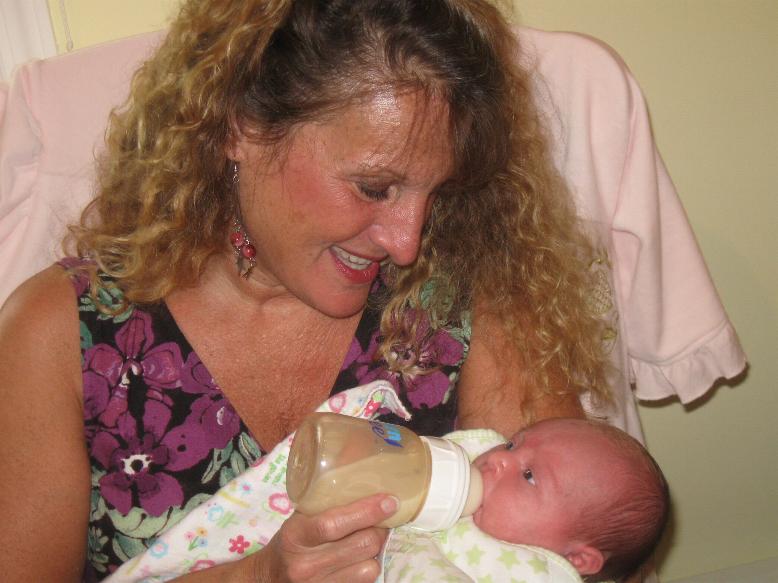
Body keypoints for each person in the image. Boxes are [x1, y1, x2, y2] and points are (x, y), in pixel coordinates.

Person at [0, 0, 611, 581]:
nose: (406, 243)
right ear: (241, 125)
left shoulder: (468, 303)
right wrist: (256, 577)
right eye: (374, 187)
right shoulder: (61, 332)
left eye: (436, 191)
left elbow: (560, 554)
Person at [103, 384, 668, 583]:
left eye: (528, 475)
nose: (497, 460)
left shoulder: (529, 573)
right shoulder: (455, 483)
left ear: (577, 558)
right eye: (514, 443)